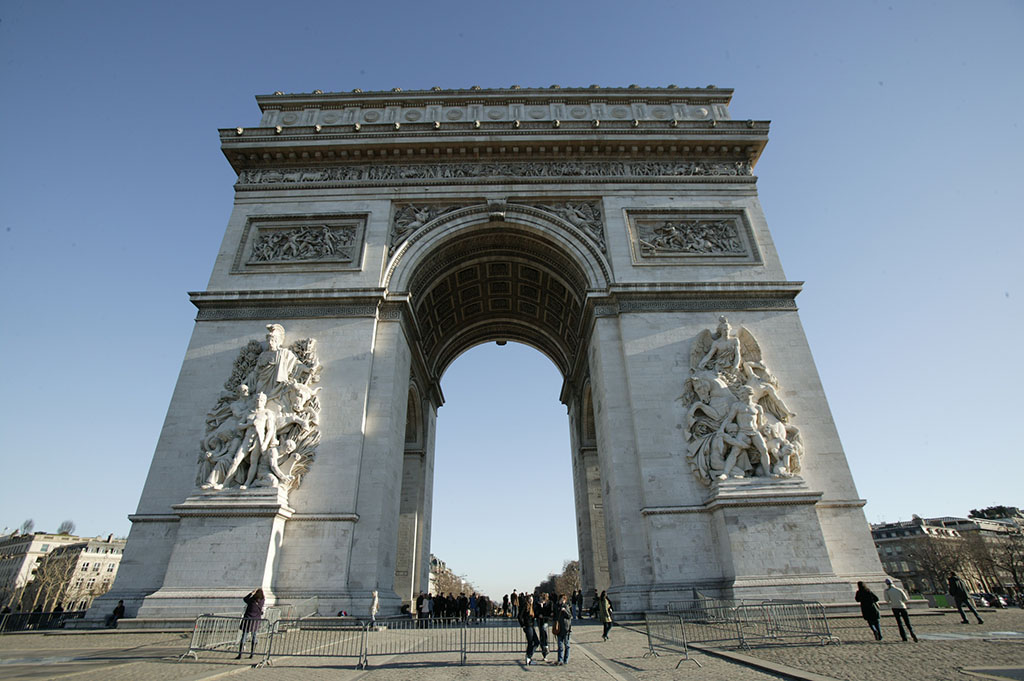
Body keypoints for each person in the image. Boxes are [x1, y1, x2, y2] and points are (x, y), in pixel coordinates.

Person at [236, 589, 265, 659]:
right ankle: (252, 653)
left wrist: (251, 593)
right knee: (254, 636)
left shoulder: (251, 600)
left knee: (244, 636)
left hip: (247, 620)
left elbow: (245, 599)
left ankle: (240, 654)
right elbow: (263, 598)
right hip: (255, 621)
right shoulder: (261, 601)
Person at [518, 593, 539, 665]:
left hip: (531, 626)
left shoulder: (533, 607)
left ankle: (529, 656)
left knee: (536, 642)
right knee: (531, 642)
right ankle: (528, 658)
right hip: (527, 626)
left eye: (532, 599)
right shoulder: (525, 606)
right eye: (530, 599)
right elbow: (519, 616)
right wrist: (523, 625)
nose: (531, 600)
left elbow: (536, 614)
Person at [554, 593, 572, 665]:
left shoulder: (566, 606)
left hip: (566, 628)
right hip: (559, 628)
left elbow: (569, 616)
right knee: (560, 645)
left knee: (567, 645)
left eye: (563, 599)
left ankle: (566, 659)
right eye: (561, 599)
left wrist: (565, 611)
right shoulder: (557, 606)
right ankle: (560, 660)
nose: (562, 601)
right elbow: (555, 616)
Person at [535, 592, 551, 660]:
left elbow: (548, 612)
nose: (541, 600)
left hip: (545, 621)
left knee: (543, 630)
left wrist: (542, 607)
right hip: (539, 621)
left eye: (542, 599)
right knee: (541, 635)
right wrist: (539, 613)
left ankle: (546, 645)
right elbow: (536, 612)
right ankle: (544, 652)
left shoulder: (548, 604)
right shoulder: (537, 605)